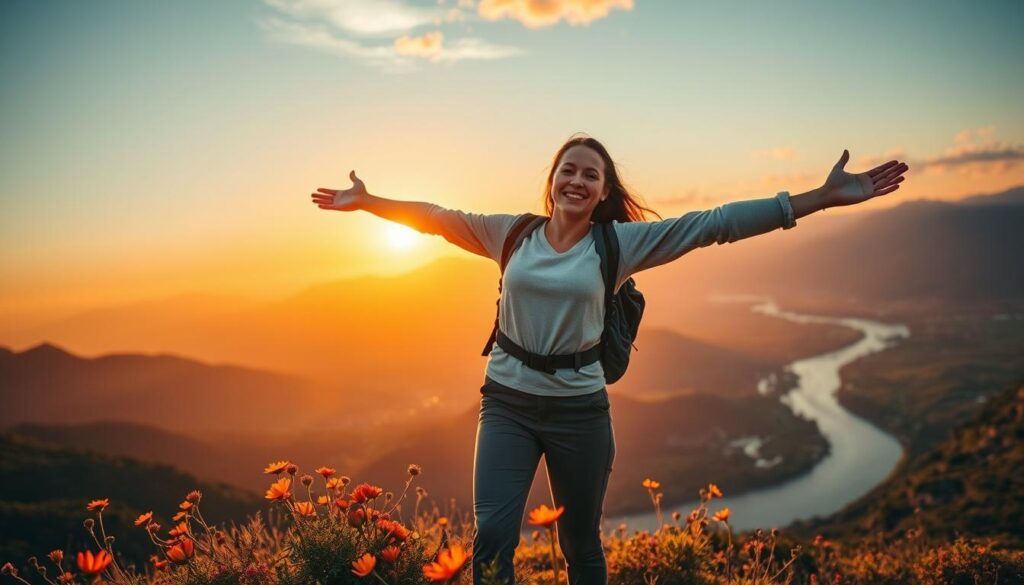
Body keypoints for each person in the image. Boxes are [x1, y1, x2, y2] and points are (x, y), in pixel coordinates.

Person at [310, 134, 909, 584]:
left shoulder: (617, 245)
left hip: (578, 412)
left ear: (602, 191)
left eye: (590, 175)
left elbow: (715, 224)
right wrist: (368, 203)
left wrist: (820, 199)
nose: (577, 180)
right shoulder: (510, 234)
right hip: (507, 405)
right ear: (552, 182)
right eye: (567, 169)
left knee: (580, 541)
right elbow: (437, 219)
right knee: (492, 535)